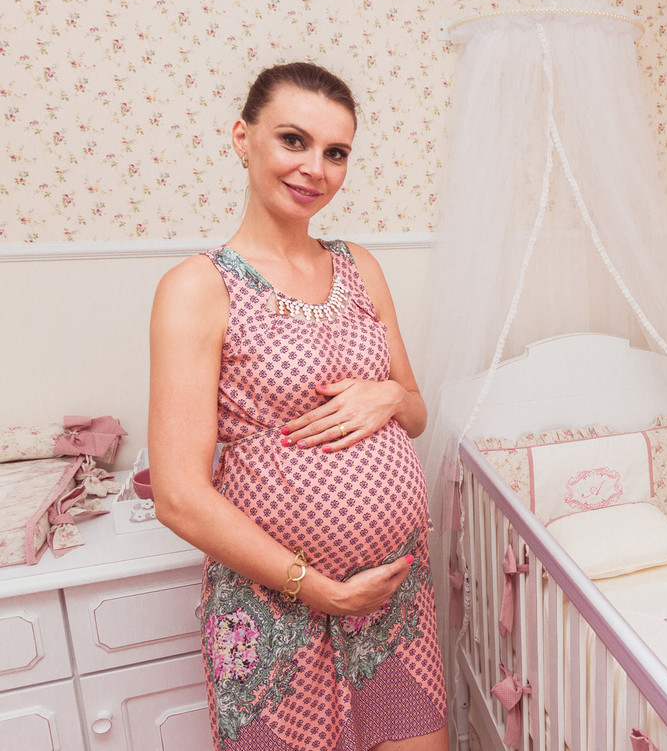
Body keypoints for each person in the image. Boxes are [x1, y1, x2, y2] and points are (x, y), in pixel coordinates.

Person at [148, 62, 447, 751]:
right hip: (276, 607)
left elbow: (417, 411)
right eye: (293, 140)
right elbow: (179, 497)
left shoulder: (360, 265)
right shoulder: (199, 286)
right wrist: (322, 590)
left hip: (393, 600)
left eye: (335, 152)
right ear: (242, 137)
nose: (315, 168)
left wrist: (390, 396)